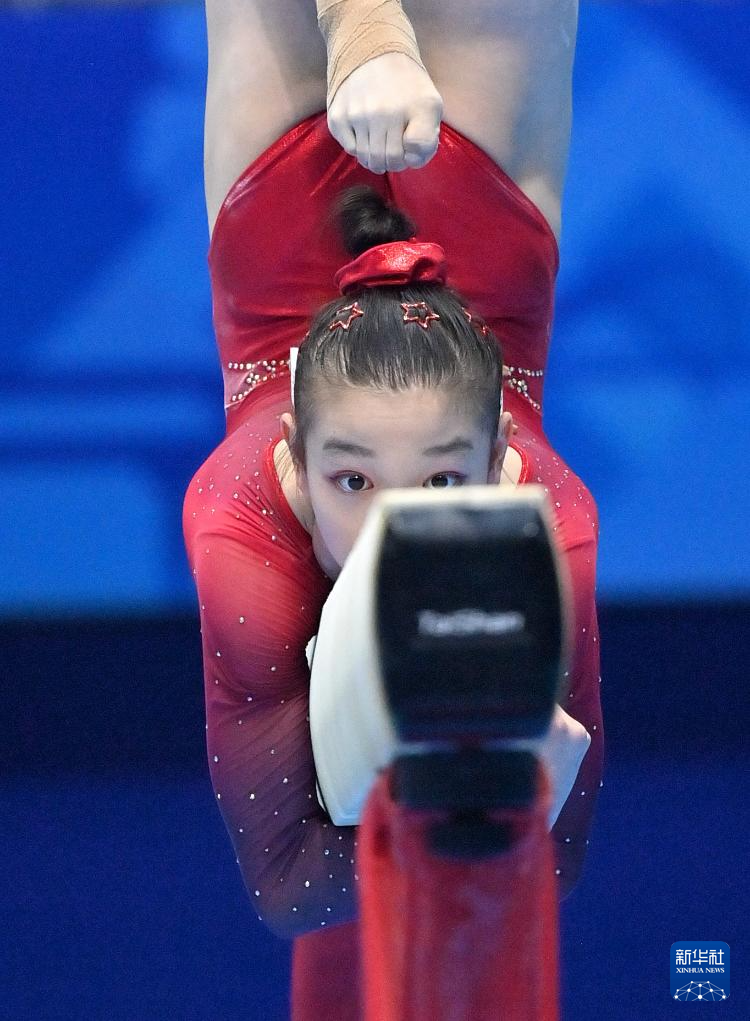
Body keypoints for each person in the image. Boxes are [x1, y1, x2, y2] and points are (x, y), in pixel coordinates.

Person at [184, 0, 603, 1017]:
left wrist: (460, 795)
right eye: (355, 481)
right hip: (486, 215)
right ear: (293, 471)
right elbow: (291, 889)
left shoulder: (540, 519)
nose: (393, 535)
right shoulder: (251, 538)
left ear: (499, 466)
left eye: (441, 483)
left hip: (277, 187)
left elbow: (294, 886)